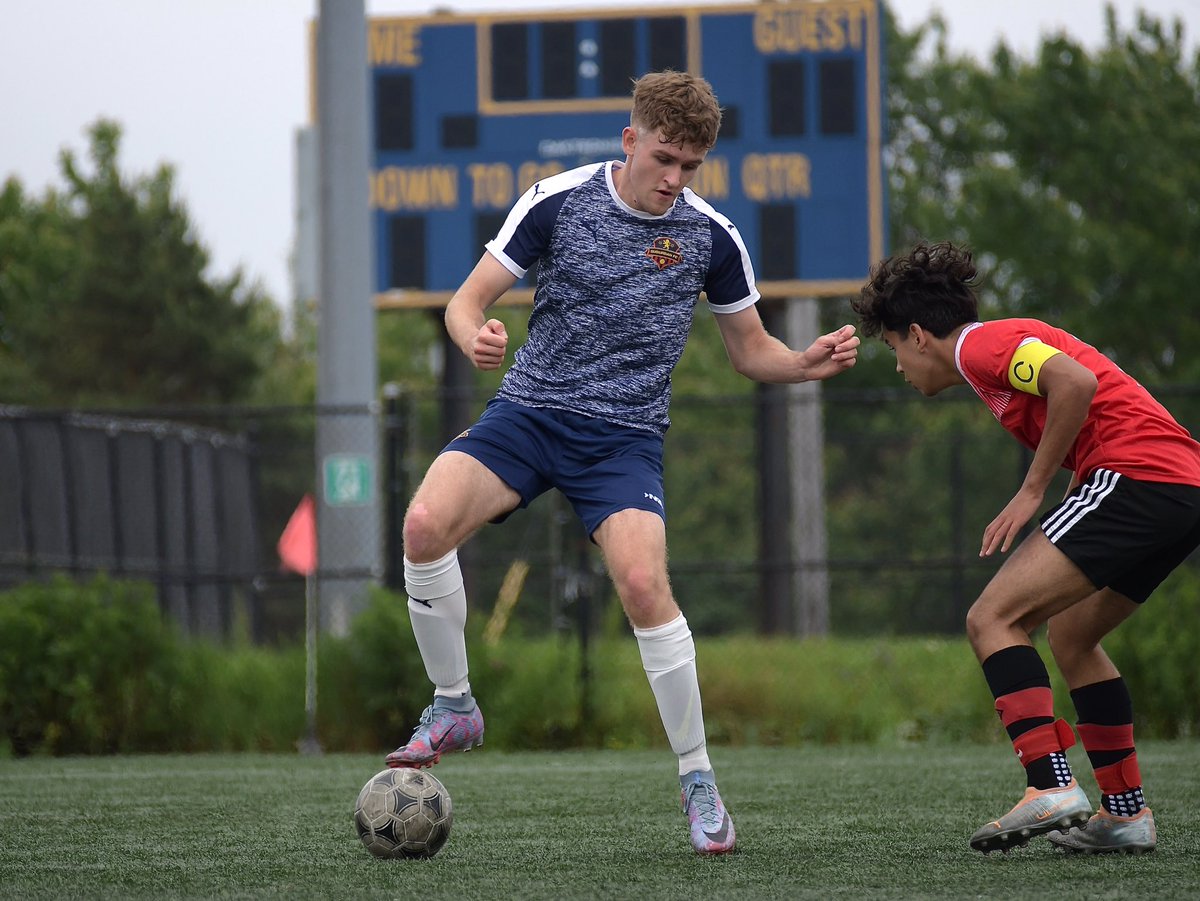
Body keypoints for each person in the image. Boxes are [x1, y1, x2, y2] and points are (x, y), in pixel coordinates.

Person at [384, 70, 861, 855]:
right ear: (630, 138)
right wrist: (474, 333)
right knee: (425, 523)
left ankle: (698, 779)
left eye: (691, 167)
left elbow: (751, 352)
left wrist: (805, 362)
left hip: (623, 438)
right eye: (664, 158)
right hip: (530, 413)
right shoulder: (557, 199)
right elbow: (466, 300)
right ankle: (453, 703)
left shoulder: (711, 236)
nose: (673, 179)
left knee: (643, 584)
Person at [852, 241, 1200, 855]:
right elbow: (1086, 408)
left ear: (918, 335)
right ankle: (1126, 816)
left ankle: (1051, 785)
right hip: (1176, 487)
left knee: (992, 618)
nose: (901, 367)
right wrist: (1070, 479)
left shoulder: (979, 346)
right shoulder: (988, 356)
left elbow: (1075, 381)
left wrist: (1031, 490)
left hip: (1139, 477)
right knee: (1071, 637)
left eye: (894, 350)